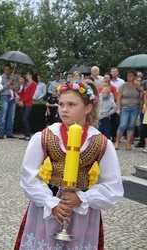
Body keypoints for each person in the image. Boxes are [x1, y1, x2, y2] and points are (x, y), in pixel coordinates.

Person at [14, 80, 124, 249]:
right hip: (48, 209)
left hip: (82, 214)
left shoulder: (100, 143)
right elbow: (29, 176)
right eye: (61, 104)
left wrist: (82, 198)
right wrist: (51, 202)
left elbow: (112, 185)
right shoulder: (46, 136)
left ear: (87, 108)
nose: (64, 109)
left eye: (72, 104)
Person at [114, 70, 143, 150]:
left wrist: (141, 90)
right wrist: (118, 108)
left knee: (131, 126)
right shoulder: (123, 86)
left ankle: (128, 143)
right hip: (125, 108)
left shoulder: (138, 86)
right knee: (123, 125)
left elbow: (140, 98)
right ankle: (117, 141)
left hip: (135, 108)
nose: (129, 77)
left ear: (134, 77)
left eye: (131, 75)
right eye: (128, 75)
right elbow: (119, 98)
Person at [0, 64, 17, 139]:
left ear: (10, 70)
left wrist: (13, 86)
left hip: (12, 98)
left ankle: (9, 133)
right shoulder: (1, 77)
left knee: (11, 117)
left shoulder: (13, 77)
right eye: (5, 69)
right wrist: (8, 83)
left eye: (8, 69)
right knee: (3, 116)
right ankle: (1, 133)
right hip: (5, 97)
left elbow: (17, 88)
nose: (7, 70)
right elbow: (0, 88)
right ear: (4, 69)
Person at [18, 72, 37, 140]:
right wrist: (20, 100)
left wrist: (23, 101)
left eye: (27, 74)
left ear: (30, 75)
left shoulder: (34, 84)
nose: (26, 75)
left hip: (28, 103)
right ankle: (25, 134)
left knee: (25, 119)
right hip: (22, 103)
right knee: (23, 119)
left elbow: (30, 95)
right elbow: (21, 93)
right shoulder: (25, 84)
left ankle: (28, 134)